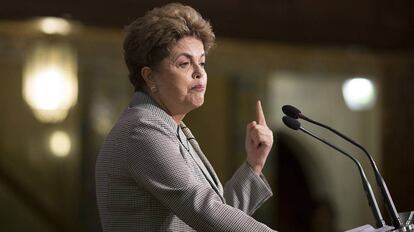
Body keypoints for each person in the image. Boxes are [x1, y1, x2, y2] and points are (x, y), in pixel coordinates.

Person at [95, 3, 276, 231]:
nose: (199, 72)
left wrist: (254, 165)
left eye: (202, 62)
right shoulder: (141, 131)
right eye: (184, 63)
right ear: (150, 77)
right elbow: (203, 209)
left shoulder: (169, 127)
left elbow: (216, 213)